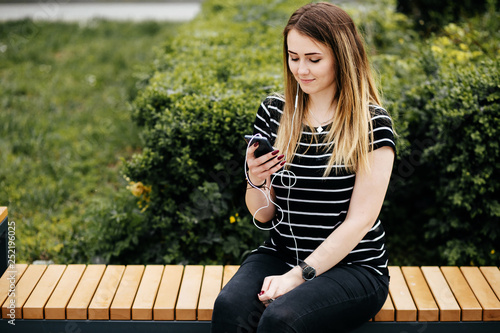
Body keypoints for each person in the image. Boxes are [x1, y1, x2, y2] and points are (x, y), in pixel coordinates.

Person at [211, 2, 396, 332]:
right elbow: (263, 215)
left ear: (342, 56)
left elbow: (360, 222)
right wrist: (256, 180)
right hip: (282, 252)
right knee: (229, 308)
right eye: (293, 57)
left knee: (282, 319)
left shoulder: (372, 125)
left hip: (354, 267)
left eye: (314, 59)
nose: (301, 69)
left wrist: (298, 276)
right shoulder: (274, 111)